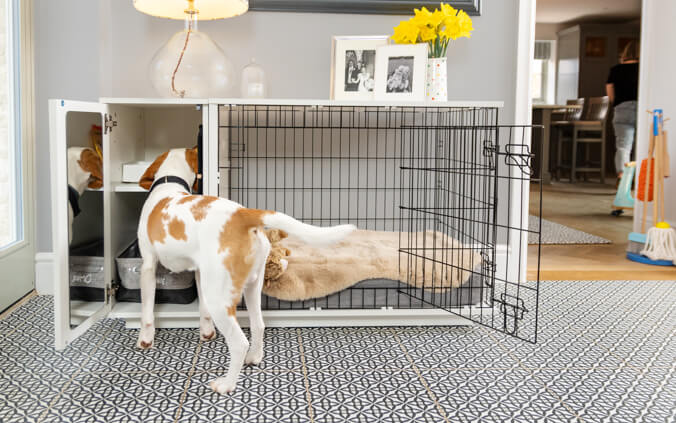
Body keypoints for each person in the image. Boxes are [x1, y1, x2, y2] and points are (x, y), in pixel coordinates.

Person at [606, 40, 639, 178]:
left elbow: (610, 92)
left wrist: (618, 104)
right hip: (642, 109)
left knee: (623, 146)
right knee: (645, 144)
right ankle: (642, 177)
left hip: (622, 109)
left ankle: (622, 176)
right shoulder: (643, 69)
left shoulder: (615, 70)